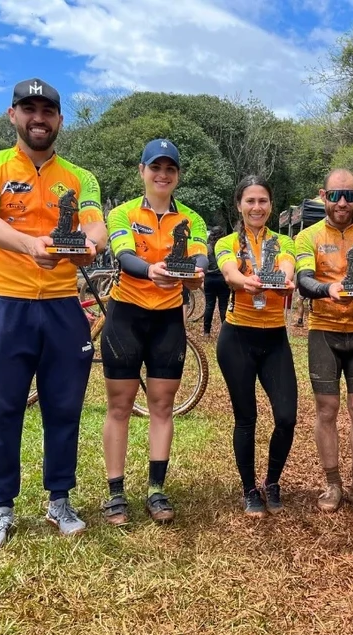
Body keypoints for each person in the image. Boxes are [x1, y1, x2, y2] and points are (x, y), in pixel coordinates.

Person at [0, 78, 107, 551]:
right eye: (29, 108)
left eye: (48, 110)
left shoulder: (81, 177)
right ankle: (0, 507)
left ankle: (59, 499)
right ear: (12, 115)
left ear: (60, 119)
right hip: (5, 303)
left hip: (64, 307)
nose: (38, 117)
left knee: (64, 408)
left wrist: (88, 249)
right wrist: (30, 246)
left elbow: (96, 228)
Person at [100, 138, 207, 526]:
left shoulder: (192, 218)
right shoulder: (123, 214)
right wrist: (153, 271)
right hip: (126, 315)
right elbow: (124, 256)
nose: (162, 175)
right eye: (155, 167)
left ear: (177, 175)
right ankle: (115, 493)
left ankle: (156, 489)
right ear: (141, 171)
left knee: (162, 406)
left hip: (167, 320)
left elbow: (199, 258)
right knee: (119, 406)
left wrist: (193, 276)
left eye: (170, 169)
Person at [294, 169, 353, 518]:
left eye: (349, 195)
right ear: (323, 195)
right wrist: (327, 289)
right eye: (335, 195)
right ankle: (332, 483)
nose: (342, 202)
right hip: (324, 330)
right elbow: (304, 279)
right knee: (327, 410)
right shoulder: (308, 236)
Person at [214, 175, 298, 517]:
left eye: (262, 201)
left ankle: (272, 481)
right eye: (250, 201)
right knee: (246, 417)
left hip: (274, 338)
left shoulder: (283, 242)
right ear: (239, 205)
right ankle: (249, 489)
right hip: (237, 339)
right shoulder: (226, 242)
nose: (256, 207)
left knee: (287, 417)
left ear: (270, 205)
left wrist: (284, 279)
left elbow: (288, 269)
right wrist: (245, 282)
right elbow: (230, 273)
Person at [202, 234, 230, 336]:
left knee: (209, 305)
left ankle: (206, 331)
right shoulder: (224, 247)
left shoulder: (207, 248)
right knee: (223, 306)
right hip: (222, 278)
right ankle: (225, 331)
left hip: (209, 279)